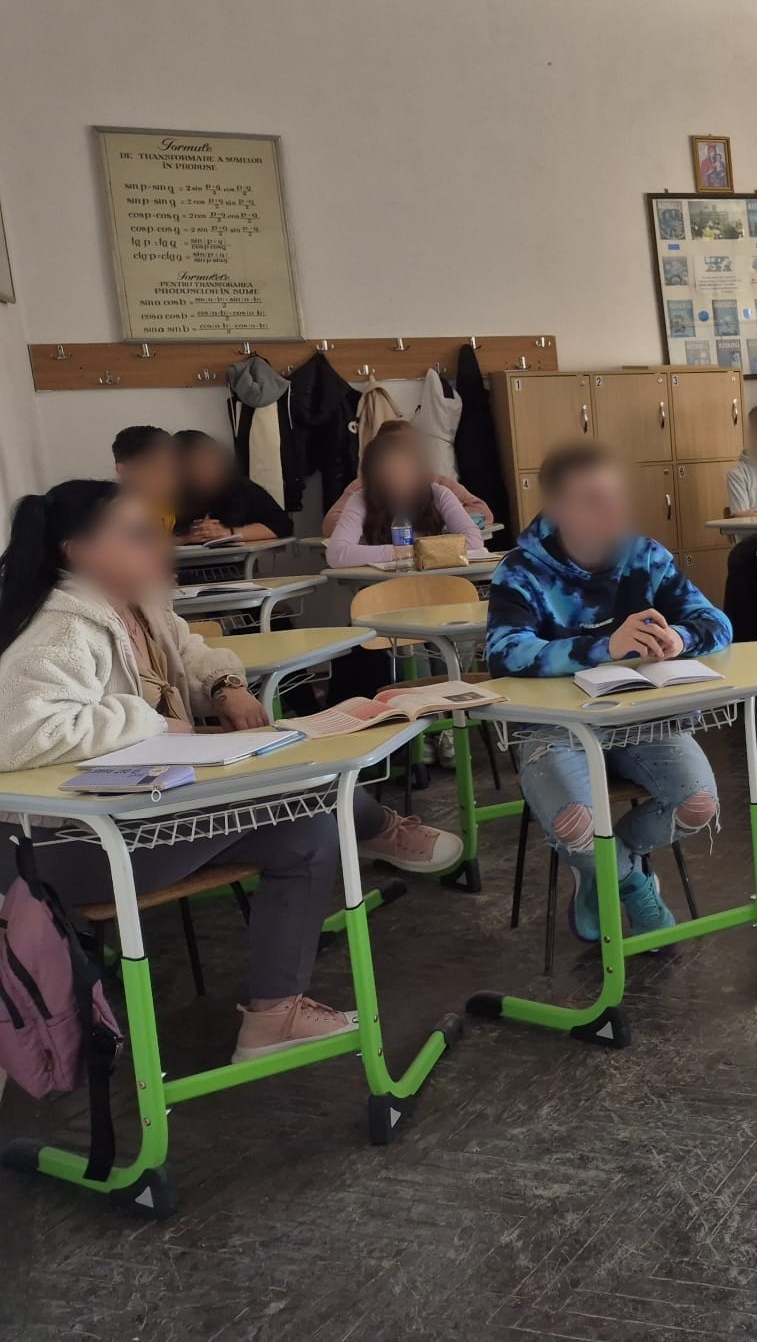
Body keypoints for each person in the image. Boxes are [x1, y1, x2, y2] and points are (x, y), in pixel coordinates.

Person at [0, 483, 461, 1062]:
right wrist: (150, 722)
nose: (160, 547)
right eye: (137, 536)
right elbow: (18, 733)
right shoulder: (62, 624)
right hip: (68, 846)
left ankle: (272, 1018)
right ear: (79, 552)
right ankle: (379, 831)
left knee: (307, 829)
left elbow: (191, 652)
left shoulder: (139, 603)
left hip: (136, 813)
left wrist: (224, 686)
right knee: (309, 800)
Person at [486, 442, 731, 942]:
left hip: (643, 721)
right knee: (576, 824)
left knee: (699, 805)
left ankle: (603, 867)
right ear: (558, 507)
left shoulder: (645, 557)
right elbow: (505, 653)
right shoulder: (521, 569)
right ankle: (632, 883)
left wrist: (678, 637)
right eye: (593, 500)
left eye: (616, 497)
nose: (612, 512)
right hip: (556, 727)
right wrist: (604, 647)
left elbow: (717, 623)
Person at [326, 431, 485, 568]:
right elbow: (336, 554)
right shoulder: (360, 499)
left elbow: (474, 542)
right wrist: (400, 552)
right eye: (390, 472)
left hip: (437, 579)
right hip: (383, 585)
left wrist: (416, 551)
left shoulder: (439, 494)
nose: (400, 478)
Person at [319, 420, 490, 536]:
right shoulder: (362, 487)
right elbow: (331, 524)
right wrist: (380, 525)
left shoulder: (436, 482)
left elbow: (482, 511)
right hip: (382, 564)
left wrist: (445, 518)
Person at [173, 429, 291, 543]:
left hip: (236, 555)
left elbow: (283, 525)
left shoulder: (239, 487)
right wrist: (185, 538)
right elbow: (162, 537)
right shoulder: (172, 493)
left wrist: (229, 533)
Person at [111, 424, 180, 537]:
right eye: (155, 469)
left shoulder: (165, 510)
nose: (168, 478)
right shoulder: (108, 515)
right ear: (124, 471)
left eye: (171, 469)